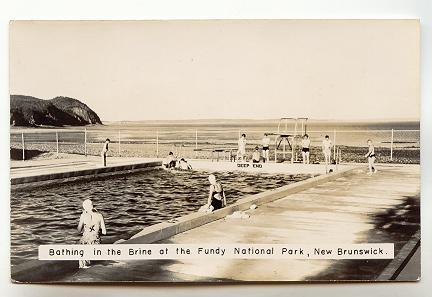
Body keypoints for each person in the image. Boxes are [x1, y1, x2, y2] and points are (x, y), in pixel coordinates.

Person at [77, 199, 106, 269]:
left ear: (84, 208)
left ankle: (83, 265)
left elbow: (78, 230)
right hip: (96, 242)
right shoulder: (100, 215)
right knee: (92, 240)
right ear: (92, 206)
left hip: (86, 241)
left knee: (82, 244)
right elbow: (104, 232)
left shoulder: (83, 215)